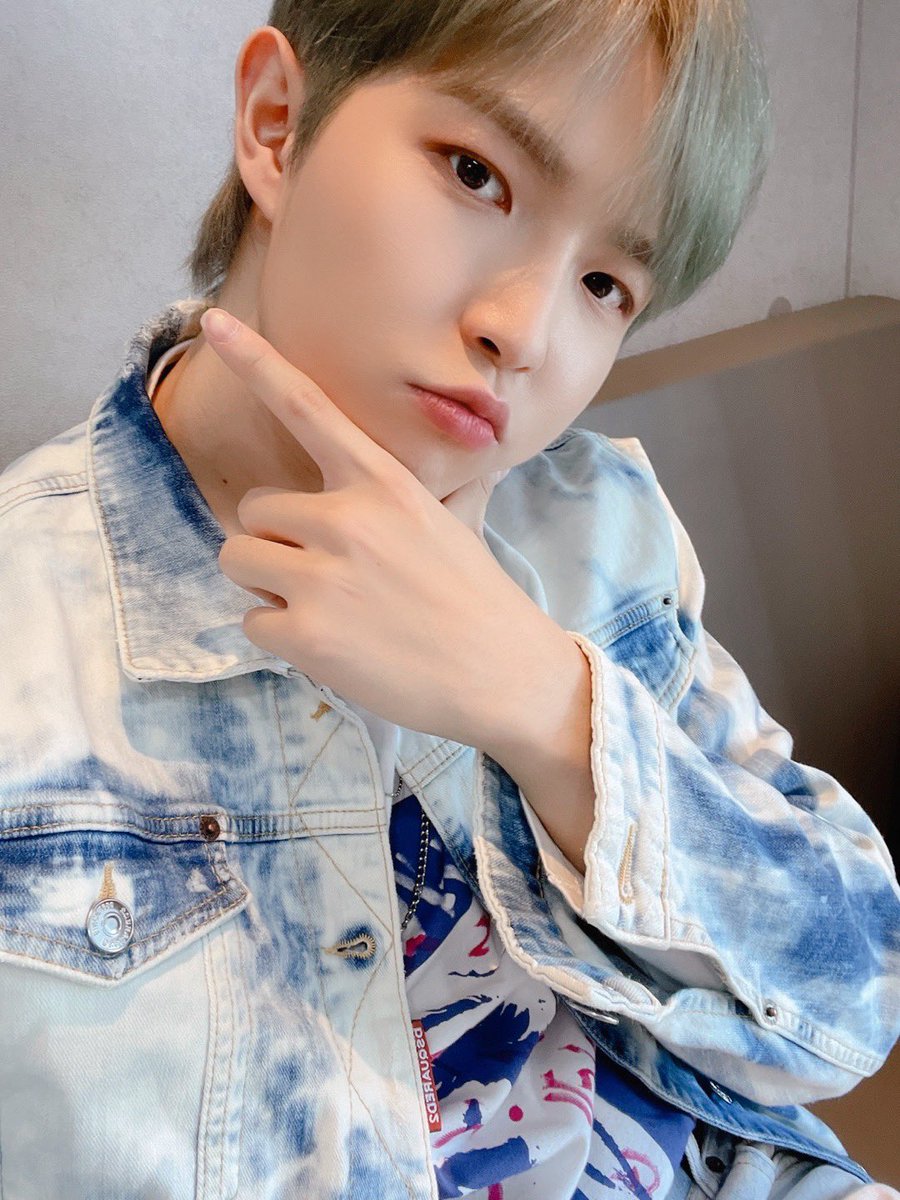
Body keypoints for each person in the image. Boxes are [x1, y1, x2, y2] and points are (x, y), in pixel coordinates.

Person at [0, 0, 897, 1196]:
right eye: (476, 174)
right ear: (277, 124)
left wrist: (547, 707)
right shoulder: (32, 640)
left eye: (605, 283)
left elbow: (850, 1000)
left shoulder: (590, 525)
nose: (523, 332)